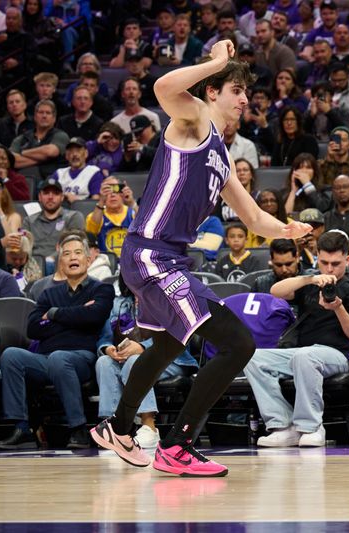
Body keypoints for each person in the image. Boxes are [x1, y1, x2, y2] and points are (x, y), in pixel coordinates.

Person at [89, 41, 312, 476]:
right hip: (153, 254)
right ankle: (178, 445)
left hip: (162, 258)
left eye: (246, 92)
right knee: (238, 343)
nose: (245, 99)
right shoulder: (192, 120)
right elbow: (163, 86)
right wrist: (215, 62)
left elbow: (252, 216)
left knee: (167, 344)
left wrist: (285, 229)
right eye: (235, 89)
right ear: (212, 92)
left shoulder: (221, 156)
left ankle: (117, 427)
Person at [246, 231, 349, 448]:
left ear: (348, 259)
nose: (329, 269)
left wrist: (338, 308)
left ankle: (311, 427)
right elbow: (275, 291)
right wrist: (311, 279)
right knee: (252, 357)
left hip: (338, 354)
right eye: (324, 262)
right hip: (301, 353)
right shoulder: (310, 282)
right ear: (316, 257)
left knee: (305, 356)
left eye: (335, 263)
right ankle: (283, 425)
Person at [0, 234, 115, 450]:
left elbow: (95, 316)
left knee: (61, 358)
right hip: (45, 358)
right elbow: (33, 329)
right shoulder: (48, 294)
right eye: (66, 254)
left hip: (81, 358)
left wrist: (52, 315)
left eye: (78, 252)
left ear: (88, 260)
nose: (72, 257)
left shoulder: (102, 289)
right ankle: (22, 428)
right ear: (61, 262)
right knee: (11, 355)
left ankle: (78, 428)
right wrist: (77, 315)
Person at [95, 277, 197, 450]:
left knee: (137, 362)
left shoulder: (168, 301)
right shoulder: (119, 304)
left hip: (170, 359)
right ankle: (114, 429)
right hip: (127, 360)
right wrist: (108, 349)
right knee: (104, 362)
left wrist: (143, 347)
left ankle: (149, 426)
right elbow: (104, 337)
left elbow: (177, 336)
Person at [22, 178, 85, 260]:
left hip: (62, 262)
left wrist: (51, 259)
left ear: (62, 197)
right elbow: (24, 248)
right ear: (40, 197)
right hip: (33, 264)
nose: (50, 197)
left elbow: (74, 245)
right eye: (46, 193)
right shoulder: (29, 221)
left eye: (55, 193)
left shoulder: (73, 217)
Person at [10, 99, 70, 179]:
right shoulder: (22, 138)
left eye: (48, 113)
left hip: (51, 184)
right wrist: (45, 159)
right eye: (41, 112)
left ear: (54, 118)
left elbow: (50, 152)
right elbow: (12, 161)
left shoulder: (61, 136)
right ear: (35, 116)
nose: (44, 116)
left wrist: (22, 152)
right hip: (24, 182)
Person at [85, 176, 137, 259]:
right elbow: (91, 233)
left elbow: (145, 225)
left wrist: (132, 202)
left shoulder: (134, 213)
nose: (112, 194)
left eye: (116, 189)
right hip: (106, 264)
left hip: (132, 261)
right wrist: (101, 201)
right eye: (107, 190)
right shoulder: (95, 216)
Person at [49, 137, 105, 203]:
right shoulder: (59, 173)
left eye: (78, 150)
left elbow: (95, 202)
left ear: (86, 153)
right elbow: (49, 195)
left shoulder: (94, 172)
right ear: (66, 156)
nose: (75, 154)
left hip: (83, 211)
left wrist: (77, 201)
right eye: (71, 151)